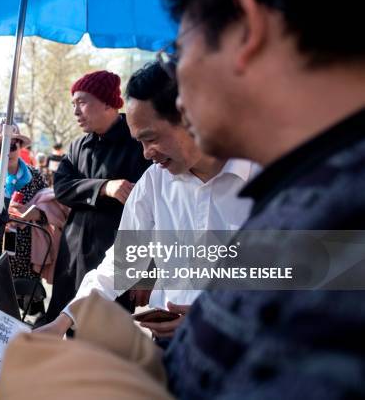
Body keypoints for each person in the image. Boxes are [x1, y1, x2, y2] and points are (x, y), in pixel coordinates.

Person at [158, 0, 365, 398]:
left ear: (247, 26)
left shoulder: (345, 217)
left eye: (177, 53)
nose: (177, 99)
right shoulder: (306, 190)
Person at [37, 61, 258, 340]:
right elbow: (120, 265)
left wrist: (216, 313)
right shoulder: (154, 182)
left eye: (150, 138)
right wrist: (62, 322)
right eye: (138, 141)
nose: (145, 154)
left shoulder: (271, 176)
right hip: (171, 346)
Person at [43, 70, 152, 323]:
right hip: (73, 255)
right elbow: (61, 187)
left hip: (116, 262)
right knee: (64, 327)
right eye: (73, 104)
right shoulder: (78, 146)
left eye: (82, 101)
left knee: (107, 340)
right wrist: (105, 187)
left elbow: (155, 213)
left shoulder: (139, 143)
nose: (75, 111)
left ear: (107, 102)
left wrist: (148, 273)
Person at [0, 117, 49, 314]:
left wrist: (33, 215)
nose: (6, 152)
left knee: (34, 315)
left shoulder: (35, 175)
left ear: (20, 145)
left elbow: (50, 211)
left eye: (11, 145)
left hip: (28, 257)